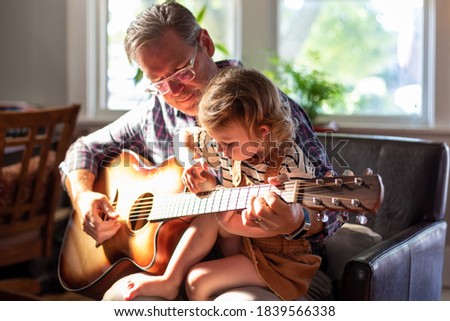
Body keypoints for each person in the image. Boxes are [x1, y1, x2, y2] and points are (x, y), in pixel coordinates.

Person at [60, 1, 344, 300]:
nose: (175, 91)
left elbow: (331, 208)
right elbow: (84, 148)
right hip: (177, 263)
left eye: (181, 71)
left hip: (271, 267)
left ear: (205, 44)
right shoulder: (155, 112)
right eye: (159, 82)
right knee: (121, 301)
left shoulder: (265, 110)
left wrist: (298, 220)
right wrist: (83, 197)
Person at [117, 67, 323, 301]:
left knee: (197, 278)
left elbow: (291, 221)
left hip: (281, 261)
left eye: (227, 144)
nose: (220, 151)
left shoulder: (291, 163)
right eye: (216, 142)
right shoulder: (228, 140)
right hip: (245, 243)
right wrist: (191, 164)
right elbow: (184, 136)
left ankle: (181, 283)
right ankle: (168, 282)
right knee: (209, 210)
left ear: (263, 131)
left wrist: (228, 221)